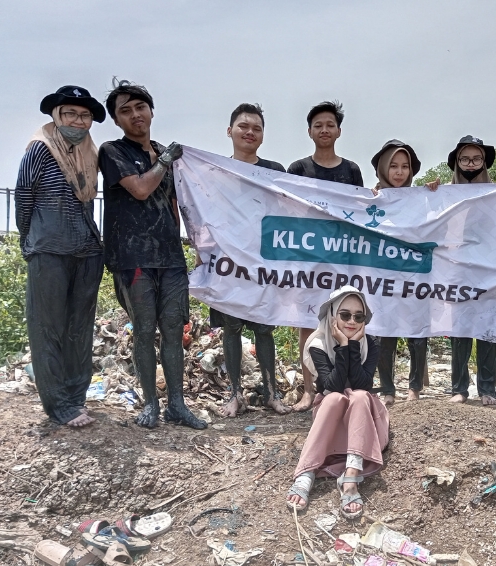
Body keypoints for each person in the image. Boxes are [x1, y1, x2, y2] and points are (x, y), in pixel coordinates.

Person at [98, 80, 206, 430]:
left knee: (174, 330)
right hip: (133, 258)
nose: (134, 115)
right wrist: (163, 161)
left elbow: (177, 205)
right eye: (125, 111)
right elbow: (142, 189)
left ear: (151, 111)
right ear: (116, 120)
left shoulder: (164, 153)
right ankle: (150, 404)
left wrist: (195, 246)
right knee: (144, 330)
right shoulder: (113, 151)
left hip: (170, 258)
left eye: (139, 107)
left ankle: (177, 403)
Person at [15, 85, 107, 428]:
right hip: (49, 250)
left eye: (84, 116)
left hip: (86, 250)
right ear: (56, 116)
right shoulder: (41, 149)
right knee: (48, 327)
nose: (78, 121)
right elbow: (24, 197)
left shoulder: (89, 152)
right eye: (70, 114)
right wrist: (29, 238)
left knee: (79, 328)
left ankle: (76, 395)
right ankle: (57, 405)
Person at [209, 103, 290, 417]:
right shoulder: (214, 171)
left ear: (262, 136)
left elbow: (288, 214)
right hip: (228, 262)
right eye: (243, 127)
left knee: (264, 328)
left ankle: (272, 394)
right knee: (231, 328)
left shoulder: (275, 171)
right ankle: (234, 395)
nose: (250, 133)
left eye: (256, 128)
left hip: (264, 260)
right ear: (230, 131)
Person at [287, 101, 364, 412]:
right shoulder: (298, 169)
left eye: (330, 125)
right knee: (309, 323)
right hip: (308, 259)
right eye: (318, 125)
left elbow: (359, 213)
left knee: (345, 322)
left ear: (339, 131)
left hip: (343, 258)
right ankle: (309, 391)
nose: (324, 130)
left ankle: (342, 385)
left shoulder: (352, 170)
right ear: (309, 131)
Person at [285, 286, 387, 519]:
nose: (351, 321)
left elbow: (363, 385)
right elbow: (332, 385)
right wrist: (343, 345)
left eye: (358, 316)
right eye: (345, 315)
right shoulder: (317, 344)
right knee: (335, 397)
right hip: (331, 416)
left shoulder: (371, 344)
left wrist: (352, 346)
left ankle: (351, 475)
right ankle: (306, 472)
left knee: (359, 396)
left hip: (363, 418)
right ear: (332, 315)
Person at [447, 135, 496, 406]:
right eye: (465, 159)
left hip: (490, 270)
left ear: (484, 162)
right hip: (457, 269)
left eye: (476, 158)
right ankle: (459, 388)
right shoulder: (445, 194)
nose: (470, 164)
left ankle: (487, 388)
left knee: (489, 327)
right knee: (460, 331)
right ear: (457, 162)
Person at [369, 139, 435, 405]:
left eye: (405, 166)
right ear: (383, 169)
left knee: (417, 334)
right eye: (393, 166)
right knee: (385, 333)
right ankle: (387, 389)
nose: (399, 172)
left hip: (416, 275)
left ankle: (415, 388)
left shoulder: (422, 199)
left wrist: (434, 194)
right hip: (383, 278)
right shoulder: (370, 200)